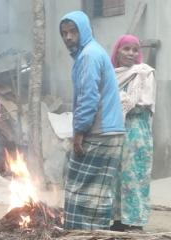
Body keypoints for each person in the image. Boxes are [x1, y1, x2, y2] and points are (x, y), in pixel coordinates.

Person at [59, 11, 125, 230]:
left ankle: (81, 234)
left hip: (100, 132)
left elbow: (88, 97)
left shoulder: (89, 55)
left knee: (78, 190)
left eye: (73, 31)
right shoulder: (90, 53)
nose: (68, 37)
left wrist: (79, 132)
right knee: (97, 193)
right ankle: (96, 233)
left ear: (85, 30)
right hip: (110, 132)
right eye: (64, 33)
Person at [110, 35, 156, 231]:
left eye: (134, 50)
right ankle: (119, 219)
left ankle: (136, 222)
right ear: (117, 52)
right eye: (126, 49)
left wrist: (119, 100)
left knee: (135, 177)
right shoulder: (112, 74)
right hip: (116, 131)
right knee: (116, 177)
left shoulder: (145, 73)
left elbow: (143, 104)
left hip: (137, 132)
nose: (130, 53)